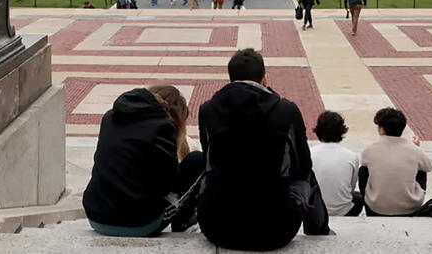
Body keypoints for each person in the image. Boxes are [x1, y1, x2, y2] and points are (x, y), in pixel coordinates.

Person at [198, 49, 330, 250]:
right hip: (276, 230)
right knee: (307, 176)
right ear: (264, 79)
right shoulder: (286, 111)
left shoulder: (208, 109)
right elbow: (302, 166)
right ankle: (318, 229)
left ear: (230, 78)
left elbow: (208, 158)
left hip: (216, 228)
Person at [83, 85, 205, 237]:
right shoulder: (163, 127)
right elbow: (168, 184)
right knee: (197, 161)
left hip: (96, 215)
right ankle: (183, 222)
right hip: (140, 223)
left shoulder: (109, 117)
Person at [358, 107, 432, 217]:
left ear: (382, 129)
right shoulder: (414, 150)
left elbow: (364, 165)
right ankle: (414, 195)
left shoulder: (369, 150)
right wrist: (417, 149)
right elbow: (429, 166)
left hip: (376, 208)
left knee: (363, 170)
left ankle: (371, 197)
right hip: (409, 208)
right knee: (421, 169)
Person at [310, 111, 362, 217]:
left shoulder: (310, 153)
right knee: (359, 198)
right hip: (344, 211)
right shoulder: (351, 156)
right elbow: (351, 187)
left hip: (315, 209)